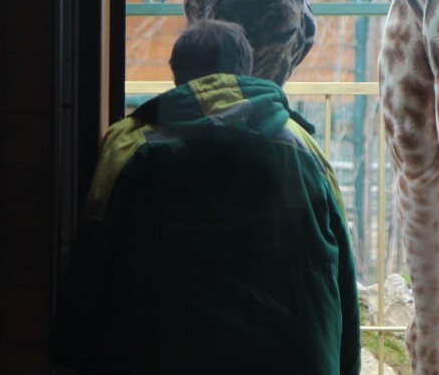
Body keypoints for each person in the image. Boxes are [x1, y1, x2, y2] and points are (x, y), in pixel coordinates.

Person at [55, 19, 361, 374]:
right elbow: (340, 264)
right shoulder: (303, 147)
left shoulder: (129, 144)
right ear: (244, 71)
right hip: (293, 356)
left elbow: (93, 251)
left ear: (177, 77)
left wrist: (70, 350)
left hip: (163, 353)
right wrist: (345, 363)